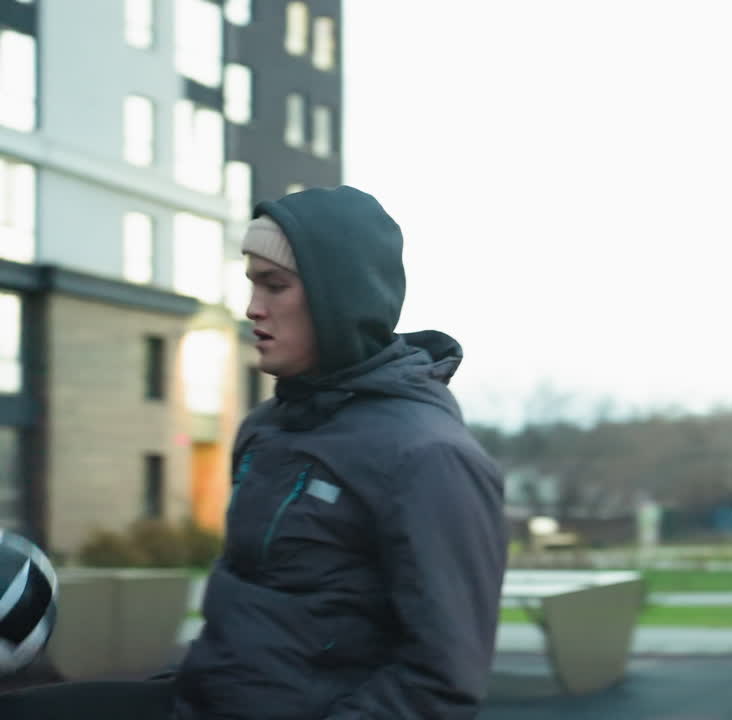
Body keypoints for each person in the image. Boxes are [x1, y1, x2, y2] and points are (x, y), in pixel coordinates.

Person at [0, 186, 508, 719]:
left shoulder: (430, 458)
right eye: (251, 283)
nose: (253, 309)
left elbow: (441, 682)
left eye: (275, 286)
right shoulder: (267, 430)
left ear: (339, 296)